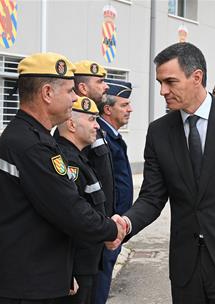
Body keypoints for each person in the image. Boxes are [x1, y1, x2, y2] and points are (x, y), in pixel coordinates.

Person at [111, 42, 215, 303]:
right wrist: (126, 224)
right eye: (160, 83)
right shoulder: (159, 132)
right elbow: (152, 197)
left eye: (170, 82)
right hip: (186, 269)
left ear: (196, 77)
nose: (163, 91)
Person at [0, 53, 126, 304]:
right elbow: (69, 209)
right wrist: (111, 229)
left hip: (30, 277)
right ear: (47, 93)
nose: (75, 98)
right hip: (22, 285)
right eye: (69, 91)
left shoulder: (33, 137)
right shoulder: (30, 145)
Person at [54, 96, 106, 304]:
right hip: (76, 268)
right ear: (72, 124)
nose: (97, 126)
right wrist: (67, 272)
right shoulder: (67, 163)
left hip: (87, 264)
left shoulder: (80, 158)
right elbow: (66, 220)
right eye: (92, 120)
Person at [94, 79, 134, 304]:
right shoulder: (100, 136)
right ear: (107, 109)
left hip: (115, 229)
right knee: (97, 291)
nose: (130, 109)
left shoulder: (111, 135)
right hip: (106, 230)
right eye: (124, 105)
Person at [73, 60, 115, 218]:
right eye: (100, 81)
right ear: (83, 88)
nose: (106, 86)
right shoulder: (75, 126)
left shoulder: (93, 126)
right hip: (92, 226)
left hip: (103, 222)